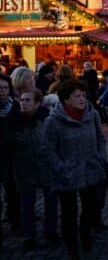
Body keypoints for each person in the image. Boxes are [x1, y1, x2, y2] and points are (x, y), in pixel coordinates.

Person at [42, 79, 106, 260]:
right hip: (67, 173)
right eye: (77, 96)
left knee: (91, 208)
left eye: (84, 95)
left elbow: (101, 138)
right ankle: (72, 247)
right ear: (66, 99)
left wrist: (100, 158)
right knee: (69, 213)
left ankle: (85, 234)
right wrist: (61, 168)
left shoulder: (92, 114)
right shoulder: (53, 121)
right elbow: (47, 149)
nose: (82, 99)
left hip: (91, 168)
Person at [14, 89, 59, 251]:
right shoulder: (15, 122)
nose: (23, 103)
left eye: (27, 100)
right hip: (25, 169)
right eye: (22, 100)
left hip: (46, 167)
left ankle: (50, 232)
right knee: (27, 204)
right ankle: (29, 235)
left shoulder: (47, 120)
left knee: (51, 202)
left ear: (37, 103)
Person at [0, 74, 21, 242]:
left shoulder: (15, 106)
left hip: (12, 155)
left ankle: (15, 222)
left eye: (5, 88)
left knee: (12, 190)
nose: (2, 91)